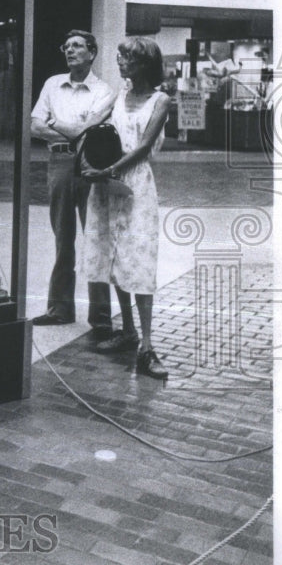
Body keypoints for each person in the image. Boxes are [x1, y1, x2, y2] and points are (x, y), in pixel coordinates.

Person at [82, 37, 172, 381]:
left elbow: (145, 145)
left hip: (133, 184)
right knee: (114, 257)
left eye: (128, 59)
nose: (121, 64)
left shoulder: (160, 100)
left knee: (139, 259)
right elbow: (93, 128)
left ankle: (147, 346)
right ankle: (128, 331)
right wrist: (88, 161)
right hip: (107, 184)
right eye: (120, 58)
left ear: (146, 64)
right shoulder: (118, 95)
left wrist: (108, 170)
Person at [30, 30, 116, 335]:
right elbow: (35, 125)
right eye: (66, 47)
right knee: (62, 238)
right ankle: (60, 309)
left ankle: (101, 317)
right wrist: (66, 130)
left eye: (77, 46)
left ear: (91, 52)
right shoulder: (52, 84)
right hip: (59, 163)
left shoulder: (104, 90)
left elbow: (87, 131)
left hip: (90, 164)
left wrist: (54, 123)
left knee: (95, 237)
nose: (70, 51)